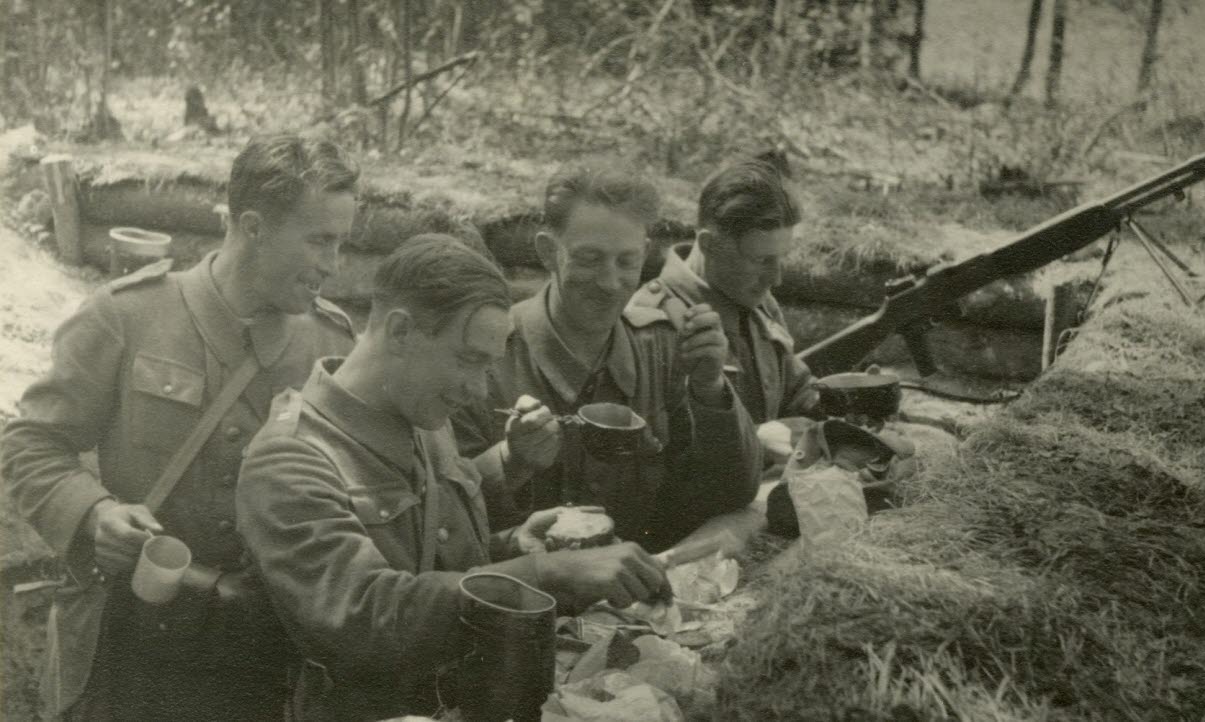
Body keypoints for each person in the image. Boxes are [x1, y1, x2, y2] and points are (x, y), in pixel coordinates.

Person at [0, 135, 361, 721]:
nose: (333, 264)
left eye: (342, 243)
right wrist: (94, 513)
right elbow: (32, 442)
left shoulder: (332, 346)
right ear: (253, 226)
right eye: (320, 240)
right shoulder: (128, 315)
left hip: (259, 665)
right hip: (129, 650)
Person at [235, 237, 668, 721]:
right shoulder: (290, 459)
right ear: (400, 331)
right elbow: (367, 615)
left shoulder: (423, 419)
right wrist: (544, 574)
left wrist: (514, 546)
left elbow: (432, 554)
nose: (478, 390)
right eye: (468, 360)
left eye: (489, 365)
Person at [453, 161, 761, 552]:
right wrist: (510, 461)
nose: (610, 282)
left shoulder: (663, 349)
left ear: (645, 255)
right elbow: (438, 521)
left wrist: (710, 389)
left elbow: (728, 497)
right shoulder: (486, 357)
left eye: (627, 261)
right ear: (549, 252)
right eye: (589, 259)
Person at [628, 157, 819, 425]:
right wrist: (757, 442)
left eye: (780, 258)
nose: (775, 279)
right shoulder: (652, 321)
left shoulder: (760, 302)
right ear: (709, 245)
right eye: (761, 260)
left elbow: (796, 392)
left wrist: (848, 399)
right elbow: (656, 450)